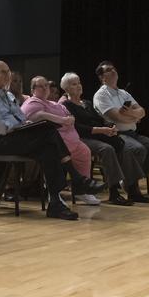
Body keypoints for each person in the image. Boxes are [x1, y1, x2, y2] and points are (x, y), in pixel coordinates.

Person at [0, 60, 102, 220]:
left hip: (14, 135)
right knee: (48, 132)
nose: (7, 75)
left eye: (8, 71)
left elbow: (21, 117)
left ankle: (56, 203)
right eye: (2, 72)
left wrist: (22, 124)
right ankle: (76, 179)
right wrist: (19, 124)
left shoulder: (8, 95)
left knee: (48, 149)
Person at [60, 72, 148, 205]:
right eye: (73, 84)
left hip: (98, 134)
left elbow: (99, 120)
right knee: (107, 149)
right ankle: (114, 192)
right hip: (82, 138)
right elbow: (77, 128)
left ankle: (132, 187)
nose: (78, 86)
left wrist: (110, 129)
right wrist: (102, 130)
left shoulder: (87, 103)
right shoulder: (66, 105)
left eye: (79, 83)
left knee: (123, 145)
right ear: (66, 89)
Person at [21, 76, 103, 206]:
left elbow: (69, 117)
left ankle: (81, 191)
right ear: (32, 90)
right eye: (40, 86)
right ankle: (55, 194)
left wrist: (66, 120)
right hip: (54, 143)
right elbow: (36, 117)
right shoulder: (32, 102)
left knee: (85, 152)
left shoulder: (54, 104)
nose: (44, 88)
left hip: (73, 140)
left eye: (46, 86)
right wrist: (63, 120)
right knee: (56, 156)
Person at [93, 61, 149, 185]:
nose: (113, 71)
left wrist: (130, 113)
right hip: (117, 134)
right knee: (139, 149)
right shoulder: (101, 95)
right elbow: (116, 117)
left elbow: (142, 111)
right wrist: (134, 116)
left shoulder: (124, 93)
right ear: (102, 77)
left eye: (114, 68)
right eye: (109, 70)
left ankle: (128, 179)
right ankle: (131, 183)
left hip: (132, 133)